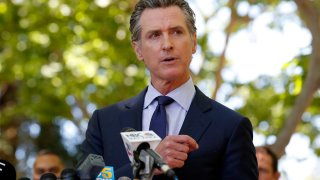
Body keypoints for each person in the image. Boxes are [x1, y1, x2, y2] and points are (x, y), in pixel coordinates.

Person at [80, 0, 258, 179]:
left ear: (194, 41)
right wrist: (145, 166)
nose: (167, 44)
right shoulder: (104, 122)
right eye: (155, 35)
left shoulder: (231, 126)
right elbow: (88, 178)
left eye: (176, 32)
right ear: (138, 50)